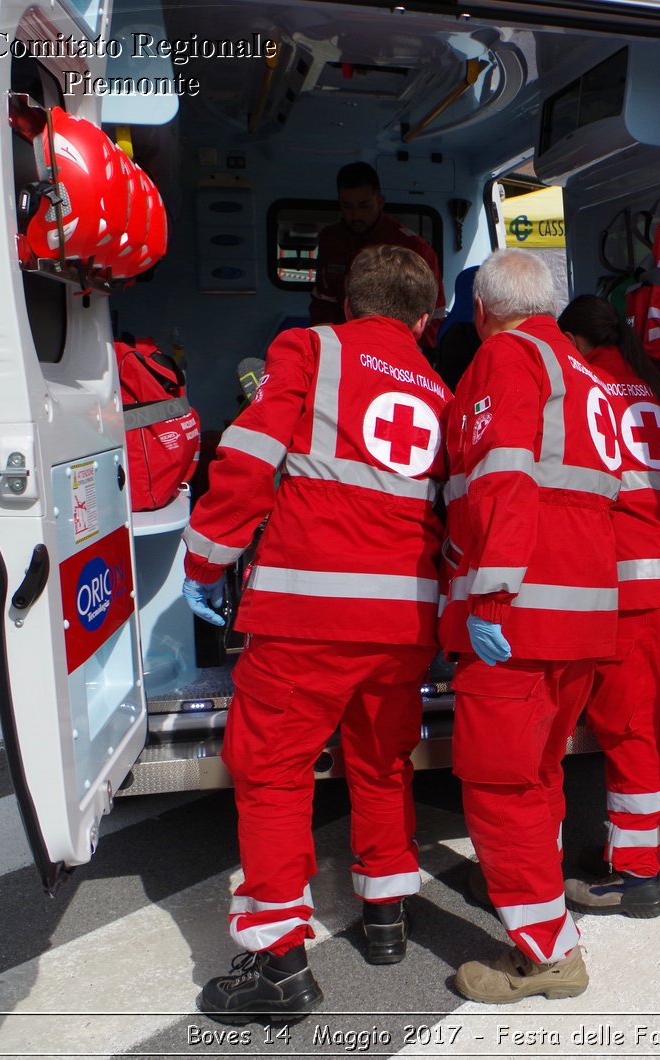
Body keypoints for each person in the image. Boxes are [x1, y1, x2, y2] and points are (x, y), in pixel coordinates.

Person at [182, 246, 449, 1022]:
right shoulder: (440, 387)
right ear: (425, 321)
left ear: (345, 303)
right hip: (405, 621)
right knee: (383, 761)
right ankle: (387, 916)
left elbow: (251, 454)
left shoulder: (311, 348)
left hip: (308, 614)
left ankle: (280, 965)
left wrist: (205, 555)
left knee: (272, 774)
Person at [440, 250, 620, 1004]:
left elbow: (503, 480)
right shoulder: (585, 374)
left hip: (521, 614)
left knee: (498, 782)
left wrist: (490, 595)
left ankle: (548, 954)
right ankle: (533, 898)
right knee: (540, 776)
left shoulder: (506, 360)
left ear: (481, 312)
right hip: (582, 615)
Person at [555, 294, 660, 919]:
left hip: (631, 585)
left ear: (577, 340)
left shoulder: (588, 390)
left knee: (627, 728)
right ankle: (655, 846)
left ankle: (637, 876)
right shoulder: (659, 392)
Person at [310, 162, 445, 327]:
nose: (356, 215)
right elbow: (323, 303)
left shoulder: (413, 247)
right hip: (342, 343)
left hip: (397, 346)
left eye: (364, 206)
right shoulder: (331, 240)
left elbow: (434, 317)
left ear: (380, 202)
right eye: (347, 207)